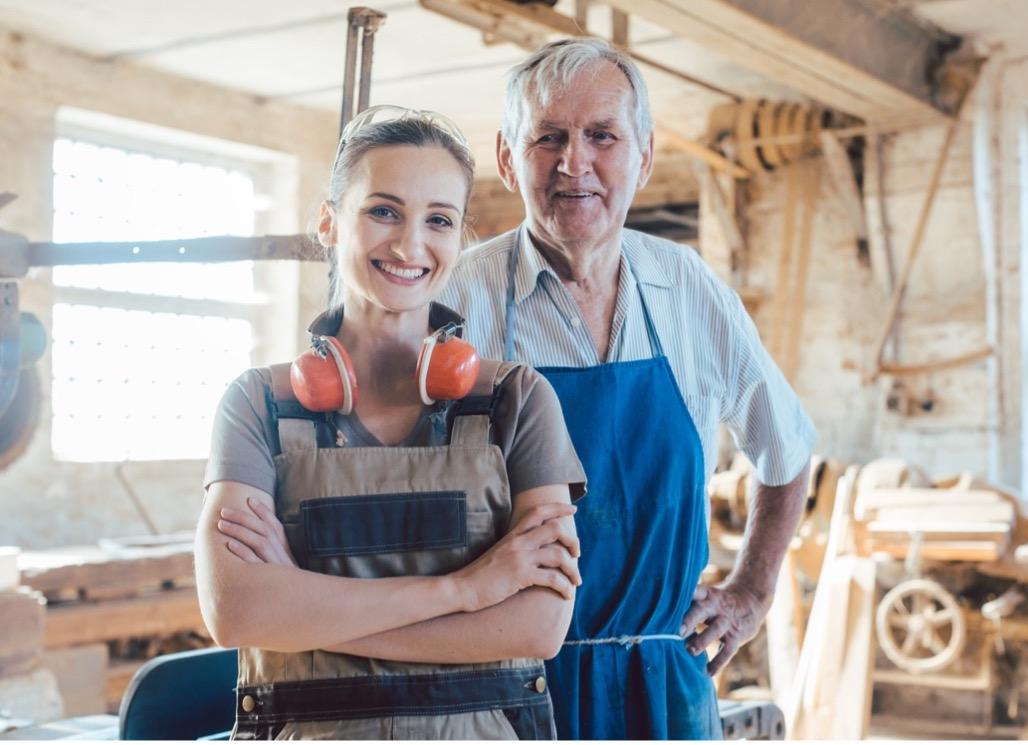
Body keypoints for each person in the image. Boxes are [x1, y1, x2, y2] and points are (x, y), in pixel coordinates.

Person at [437, 38, 817, 739]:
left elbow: (787, 449)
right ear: (505, 157)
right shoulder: (456, 299)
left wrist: (753, 590)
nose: (572, 162)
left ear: (643, 156)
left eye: (601, 136)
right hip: (502, 691)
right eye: (547, 136)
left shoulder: (691, 291)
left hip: (663, 691)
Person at [195, 106, 588, 740]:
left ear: (461, 236)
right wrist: (467, 590)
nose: (410, 245)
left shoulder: (517, 401)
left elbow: (537, 626)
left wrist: (302, 603)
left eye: (439, 220)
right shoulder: (257, 406)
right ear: (328, 222)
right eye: (383, 211)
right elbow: (236, 611)